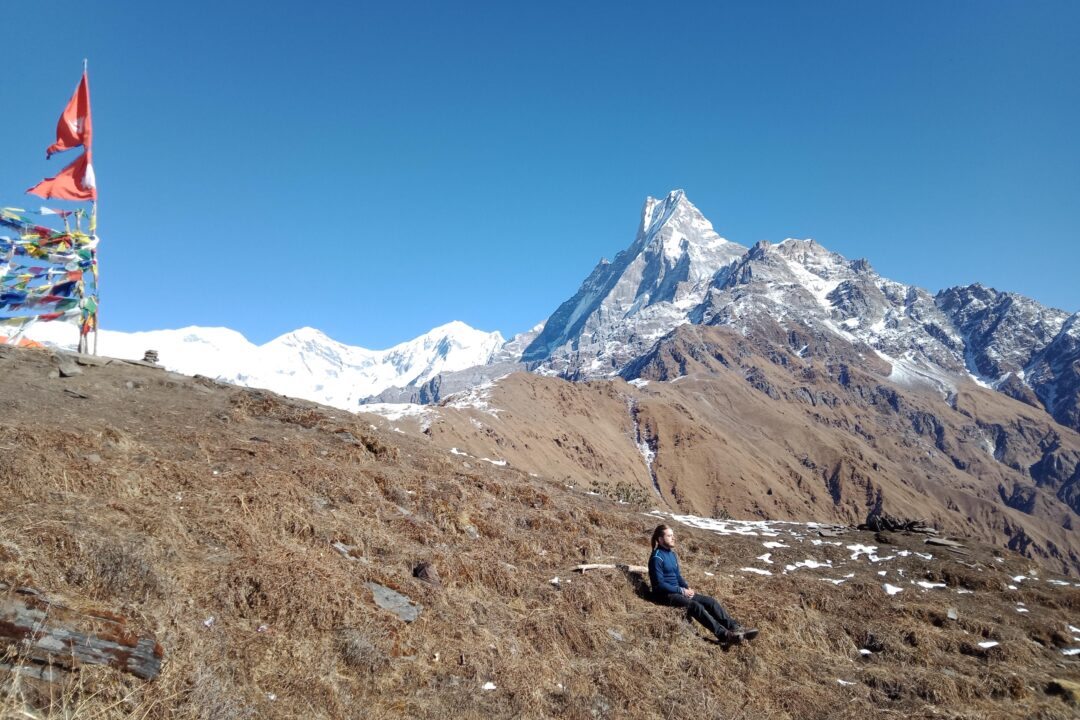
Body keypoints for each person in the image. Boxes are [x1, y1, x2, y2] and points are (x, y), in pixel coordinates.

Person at [648, 524, 758, 644]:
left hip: (677, 591)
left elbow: (677, 576)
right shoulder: (656, 557)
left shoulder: (672, 554)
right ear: (660, 539)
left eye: (673, 535)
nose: (673, 538)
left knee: (710, 601)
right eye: (669, 536)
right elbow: (659, 585)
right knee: (695, 606)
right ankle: (725, 635)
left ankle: (735, 628)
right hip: (664, 596)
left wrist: (686, 587)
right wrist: (681, 591)